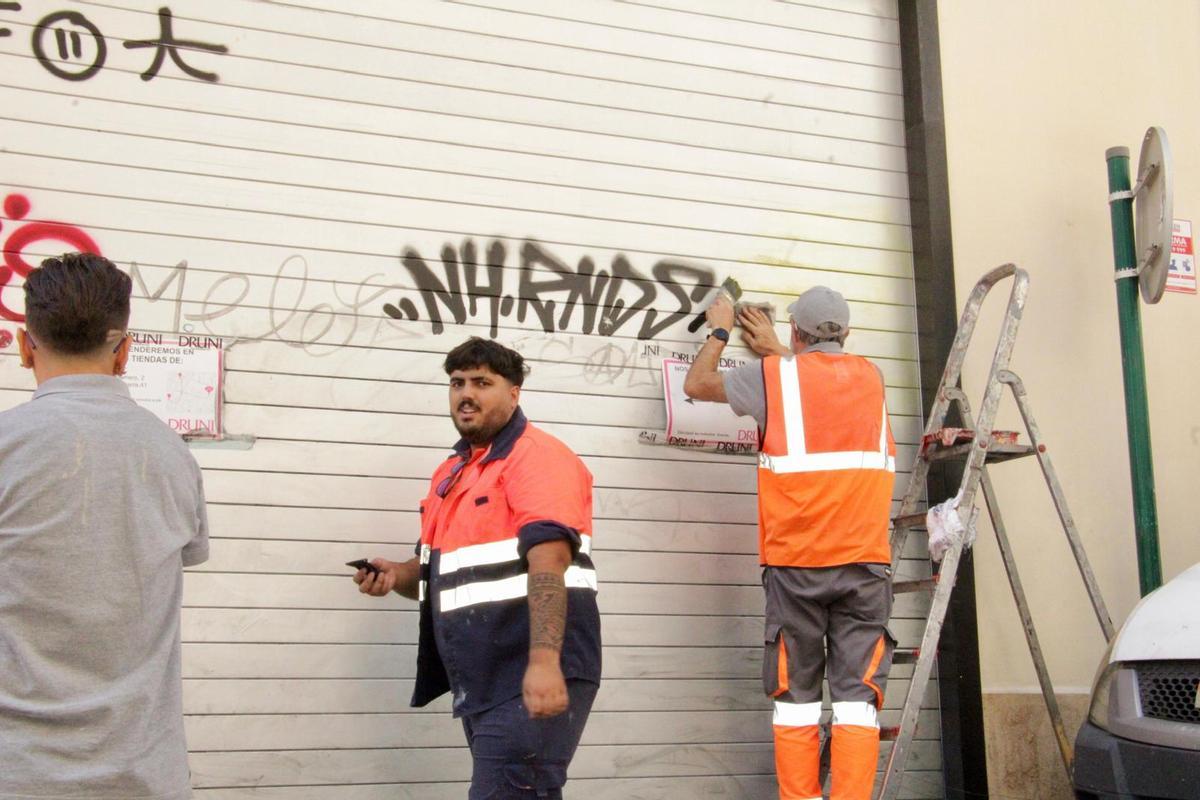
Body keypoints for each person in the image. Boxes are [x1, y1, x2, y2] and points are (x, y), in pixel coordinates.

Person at [0, 252, 210, 800]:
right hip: (143, 773)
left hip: (16, 771)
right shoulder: (172, 454)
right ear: (124, 351)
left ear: (25, 347)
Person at [355, 337, 600, 800]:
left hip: (532, 668)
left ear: (514, 392)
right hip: (484, 677)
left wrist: (544, 663)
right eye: (457, 383)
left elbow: (550, 561)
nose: (466, 394)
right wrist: (395, 576)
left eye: (482, 383)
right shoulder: (453, 472)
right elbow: (437, 573)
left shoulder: (538, 457)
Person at [683, 286, 896, 800]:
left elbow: (697, 383)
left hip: (796, 568)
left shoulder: (773, 376)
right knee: (857, 702)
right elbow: (818, 383)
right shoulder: (872, 377)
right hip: (865, 566)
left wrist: (721, 328)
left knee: (796, 700)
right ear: (847, 333)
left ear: (796, 330)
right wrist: (780, 351)